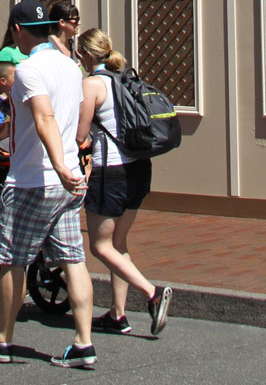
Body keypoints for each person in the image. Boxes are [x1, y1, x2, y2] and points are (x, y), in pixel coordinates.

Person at [0, 0, 95, 370]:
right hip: (69, 184)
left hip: (33, 182)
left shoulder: (27, 71)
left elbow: (44, 117)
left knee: (12, 261)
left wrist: (56, 165)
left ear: (17, 30)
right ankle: (83, 343)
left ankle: (2, 339)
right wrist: (70, 168)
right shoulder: (70, 67)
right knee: (73, 259)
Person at [76, 27, 172, 339]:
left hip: (110, 173)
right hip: (139, 169)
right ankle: (117, 314)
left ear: (89, 56)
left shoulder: (92, 84)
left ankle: (152, 294)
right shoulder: (126, 78)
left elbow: (80, 135)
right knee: (119, 243)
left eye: (80, 55)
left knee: (100, 245)